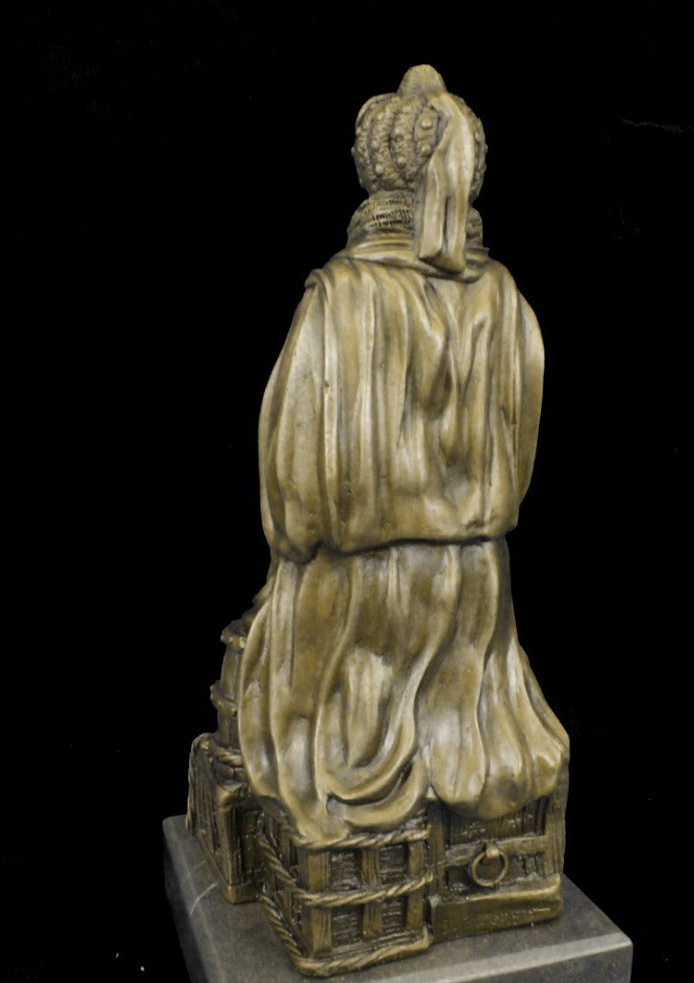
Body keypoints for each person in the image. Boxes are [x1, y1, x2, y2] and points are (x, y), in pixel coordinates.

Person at [237, 66, 569, 845]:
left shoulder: (341, 293)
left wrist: (302, 543)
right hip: (473, 589)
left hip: (358, 594)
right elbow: (518, 459)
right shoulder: (505, 297)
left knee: (299, 699)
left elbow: (292, 483)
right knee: (480, 734)